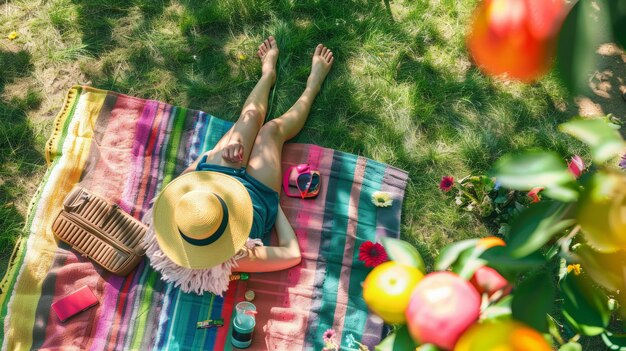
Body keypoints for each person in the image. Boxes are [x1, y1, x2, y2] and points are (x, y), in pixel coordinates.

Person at [144, 36, 334, 295]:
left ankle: (268, 74)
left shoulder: (177, 221)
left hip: (215, 178)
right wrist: (274, 204)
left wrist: (206, 158)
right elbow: (291, 254)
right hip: (257, 192)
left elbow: (182, 185)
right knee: (271, 131)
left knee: (251, 117)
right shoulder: (230, 257)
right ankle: (313, 85)